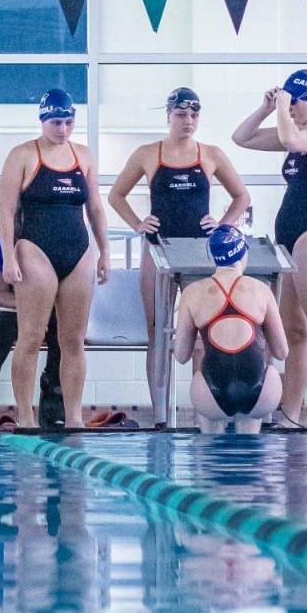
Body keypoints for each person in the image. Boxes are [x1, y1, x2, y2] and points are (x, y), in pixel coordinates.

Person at [108, 86, 251, 410]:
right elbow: (116, 195)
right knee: (157, 332)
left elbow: (241, 196)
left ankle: (204, 409)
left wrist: (223, 225)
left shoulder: (211, 154)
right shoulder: (147, 154)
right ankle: (160, 412)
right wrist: (137, 224)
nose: (188, 121)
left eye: (194, 115)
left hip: (199, 253)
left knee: (203, 329)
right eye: (181, 114)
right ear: (168, 116)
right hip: (158, 250)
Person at [232, 69, 307, 426]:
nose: (291, 108)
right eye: (289, 103)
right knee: (294, 333)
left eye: (295, 102)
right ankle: (291, 415)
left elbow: (292, 140)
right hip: (288, 239)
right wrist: (267, 108)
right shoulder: (295, 131)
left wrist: (283, 108)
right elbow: (242, 138)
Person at [0, 88, 110, 429]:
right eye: (55, 123)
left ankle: (74, 416)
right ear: (43, 120)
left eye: (68, 122)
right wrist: (8, 257)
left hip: (78, 251)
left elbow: (95, 208)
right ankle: (26, 415)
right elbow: (6, 212)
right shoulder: (22, 155)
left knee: (73, 341)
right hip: (35, 250)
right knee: (31, 337)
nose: (62, 129)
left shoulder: (84, 156)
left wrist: (105, 251)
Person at [173, 225, 287, 433]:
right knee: (249, 438)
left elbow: (181, 356)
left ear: (214, 257)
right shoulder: (262, 290)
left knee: (210, 442)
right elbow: (282, 352)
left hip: (211, 393)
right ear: (243, 253)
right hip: (261, 392)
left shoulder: (191, 293)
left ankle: (210, 445)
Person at [0, 235, 62, 431]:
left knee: (61, 331)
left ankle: (54, 409)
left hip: (41, 309)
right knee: (4, 323)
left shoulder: (47, 239)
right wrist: (34, 308)